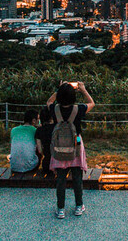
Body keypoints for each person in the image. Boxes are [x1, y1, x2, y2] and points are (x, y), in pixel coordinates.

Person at [47, 82, 94, 219]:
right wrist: (83, 90)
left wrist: (59, 89)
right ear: (73, 97)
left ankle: (61, 209)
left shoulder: (55, 109)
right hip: (76, 146)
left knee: (61, 179)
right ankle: (79, 206)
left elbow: (49, 101)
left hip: (59, 147)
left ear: (59, 96)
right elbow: (92, 103)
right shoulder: (78, 109)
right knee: (77, 178)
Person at [10, 109, 40, 173]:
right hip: (30, 167)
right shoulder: (35, 131)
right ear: (34, 120)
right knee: (38, 149)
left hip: (14, 167)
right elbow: (39, 148)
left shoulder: (13, 130)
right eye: (38, 119)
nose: (39, 121)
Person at [35, 105, 54, 174]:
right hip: (59, 164)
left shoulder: (39, 130)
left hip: (47, 164)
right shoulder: (57, 128)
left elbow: (40, 150)